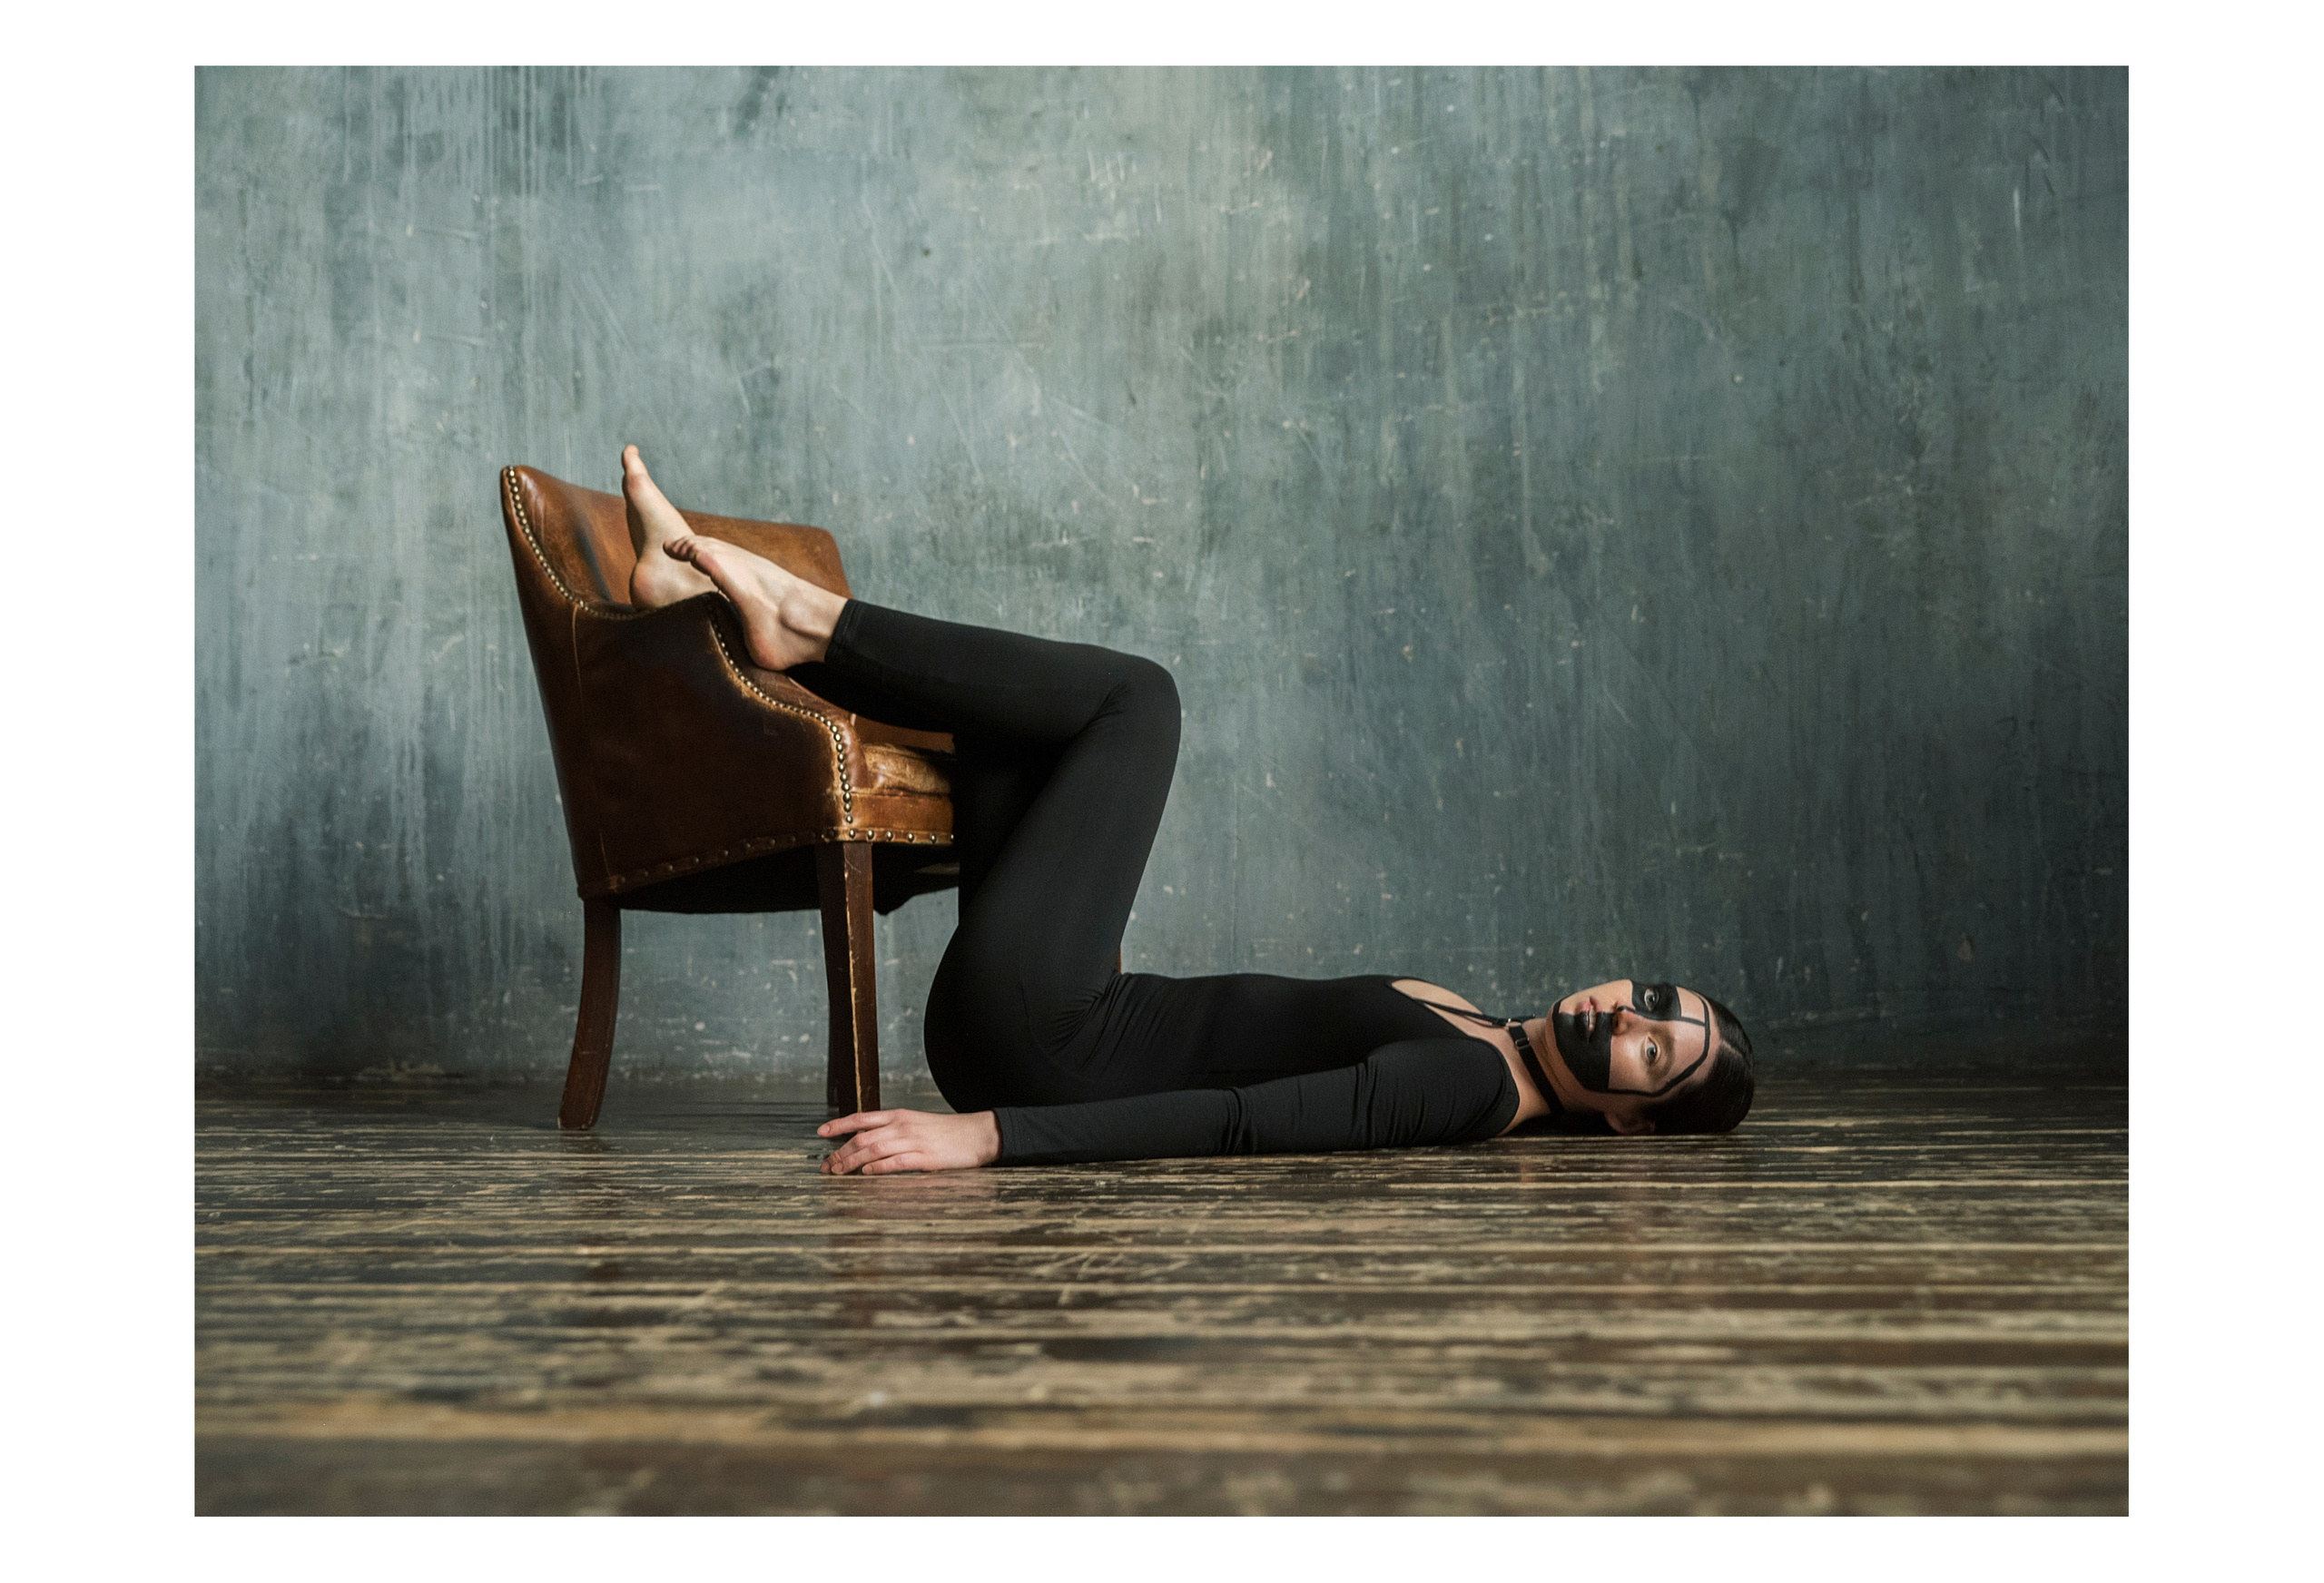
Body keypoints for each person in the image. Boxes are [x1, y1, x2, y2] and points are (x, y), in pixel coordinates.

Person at [615, 446, 1757, 1175]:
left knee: (1134, 700)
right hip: (1052, 1019)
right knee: (1030, 720)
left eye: (1655, 1052)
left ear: (1629, 1122)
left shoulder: (1466, 1088)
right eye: (1653, 1000)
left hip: (1042, 1044)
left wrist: (985, 1139)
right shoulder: (1485, 1032)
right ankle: (727, 615)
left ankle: (795, 619)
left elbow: (1235, 1124)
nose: (1626, 1018)